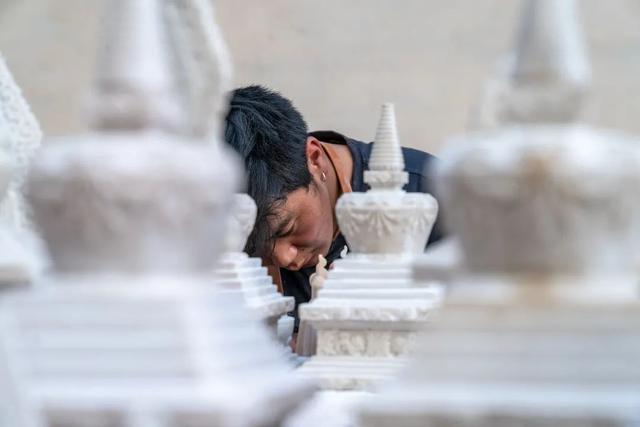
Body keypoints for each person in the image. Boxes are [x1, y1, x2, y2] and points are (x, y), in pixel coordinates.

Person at [223, 85, 444, 335]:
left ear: (315, 159)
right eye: (257, 246)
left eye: (287, 228)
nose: (284, 258)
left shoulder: (432, 194)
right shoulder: (223, 234)